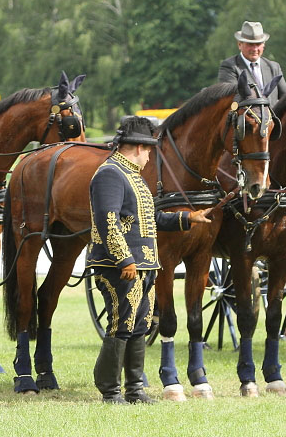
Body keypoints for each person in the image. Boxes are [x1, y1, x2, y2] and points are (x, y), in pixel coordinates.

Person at [87, 116, 211, 404]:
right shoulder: (110, 174)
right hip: (120, 266)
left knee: (140, 325)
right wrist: (124, 260)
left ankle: (134, 390)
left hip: (144, 266)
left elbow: (151, 219)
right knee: (121, 324)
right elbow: (108, 222)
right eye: (148, 150)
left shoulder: (133, 177)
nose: (149, 156)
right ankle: (110, 390)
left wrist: (187, 218)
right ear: (137, 148)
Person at [218, 21, 286, 104]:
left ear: (264, 45)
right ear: (239, 45)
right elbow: (230, 98)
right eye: (250, 44)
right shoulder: (230, 66)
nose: (255, 49)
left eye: (258, 44)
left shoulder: (274, 67)